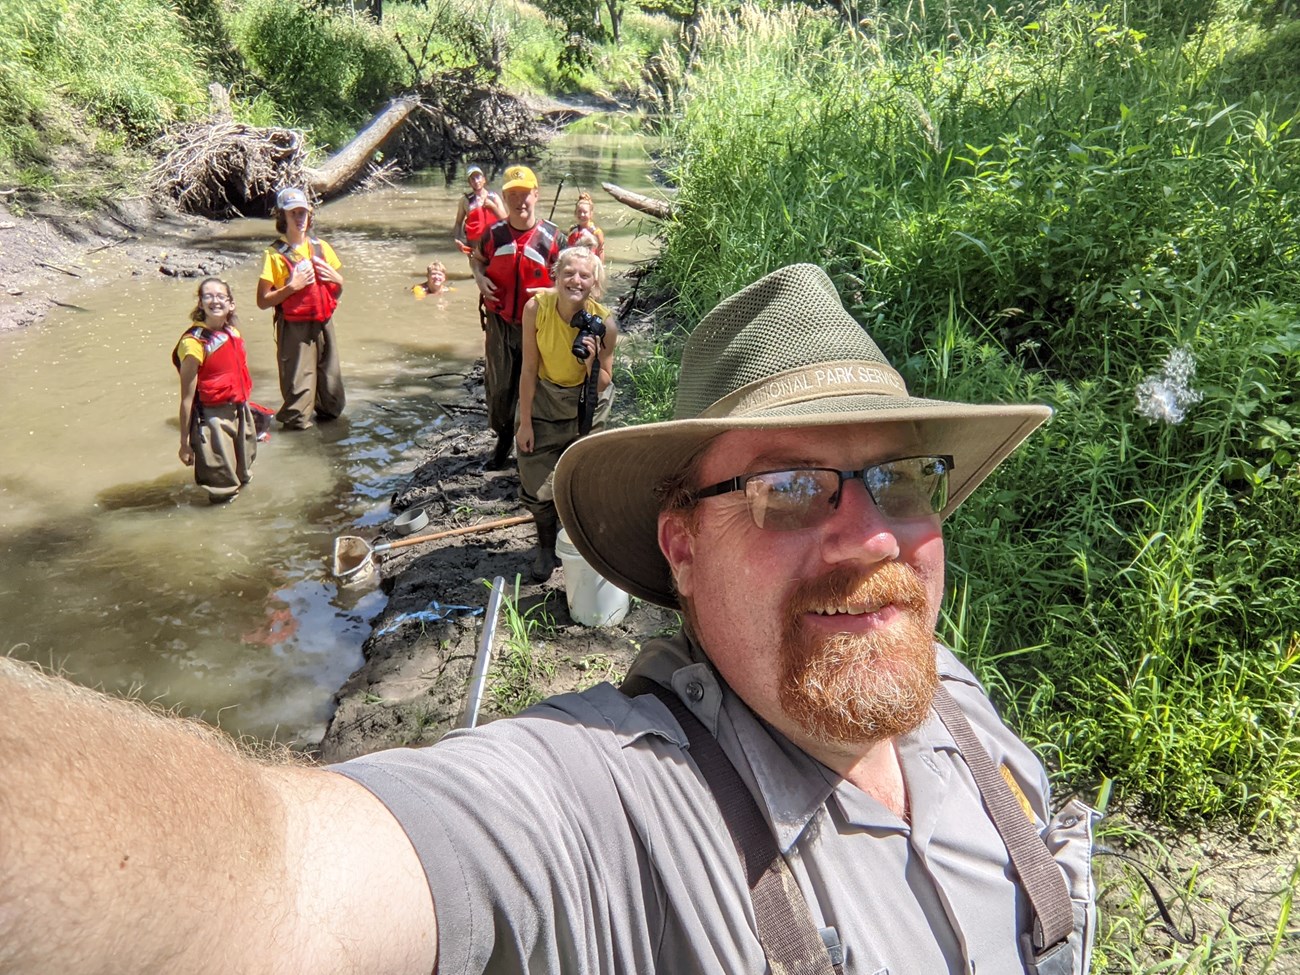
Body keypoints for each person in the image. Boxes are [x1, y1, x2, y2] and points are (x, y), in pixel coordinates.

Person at [0, 264, 1096, 975]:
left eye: (899, 480)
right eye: (790, 488)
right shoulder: (616, 805)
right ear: (681, 543)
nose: (870, 542)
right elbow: (284, 880)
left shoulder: (960, 710)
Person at [516, 246, 617, 580]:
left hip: (588, 402)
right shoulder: (536, 309)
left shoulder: (605, 324)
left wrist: (591, 363)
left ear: (594, 284)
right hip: (545, 397)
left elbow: (603, 382)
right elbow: (528, 369)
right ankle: (546, 547)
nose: (576, 280)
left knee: (583, 478)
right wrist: (525, 423)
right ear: (556, 276)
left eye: (585, 275)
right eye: (569, 273)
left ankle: (580, 543)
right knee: (535, 480)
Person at [471, 164, 564, 469]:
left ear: (536, 194)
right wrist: (479, 278)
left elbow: (575, 281)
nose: (519, 201)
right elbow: (477, 259)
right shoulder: (493, 234)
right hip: (500, 322)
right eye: (513, 195)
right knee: (499, 387)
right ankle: (503, 438)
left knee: (537, 384)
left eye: (525, 194)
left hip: (539, 323)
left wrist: (553, 293)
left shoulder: (553, 237)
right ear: (504, 197)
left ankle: (533, 445)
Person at [255, 187, 346, 430]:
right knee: (298, 402)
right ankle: (296, 437)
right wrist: (292, 287)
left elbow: (336, 291)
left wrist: (339, 281)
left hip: (324, 323)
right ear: (282, 217)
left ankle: (330, 437)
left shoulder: (322, 247)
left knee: (332, 396)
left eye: (303, 212)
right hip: (294, 327)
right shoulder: (274, 255)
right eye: (293, 213)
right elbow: (263, 301)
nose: (299, 218)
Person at [173, 277, 257, 503]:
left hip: (240, 411)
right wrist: (184, 443)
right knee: (222, 488)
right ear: (200, 304)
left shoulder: (233, 333)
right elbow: (187, 398)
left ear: (231, 304)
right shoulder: (193, 344)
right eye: (208, 296)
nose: (215, 301)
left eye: (221, 296)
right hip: (213, 419)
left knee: (244, 474)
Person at [453, 163, 507, 251]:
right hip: (474, 245)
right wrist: (457, 239)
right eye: (472, 179)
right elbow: (458, 223)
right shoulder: (465, 200)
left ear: (484, 179)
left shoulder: (494, 197)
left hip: (494, 243)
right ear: (469, 183)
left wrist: (493, 207)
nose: (476, 181)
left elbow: (505, 220)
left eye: (478, 177)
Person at [564, 190, 605, 259]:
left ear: (591, 214)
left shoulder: (596, 232)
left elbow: (601, 251)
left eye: (585, 212)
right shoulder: (572, 230)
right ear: (575, 213)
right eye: (579, 211)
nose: (582, 215)